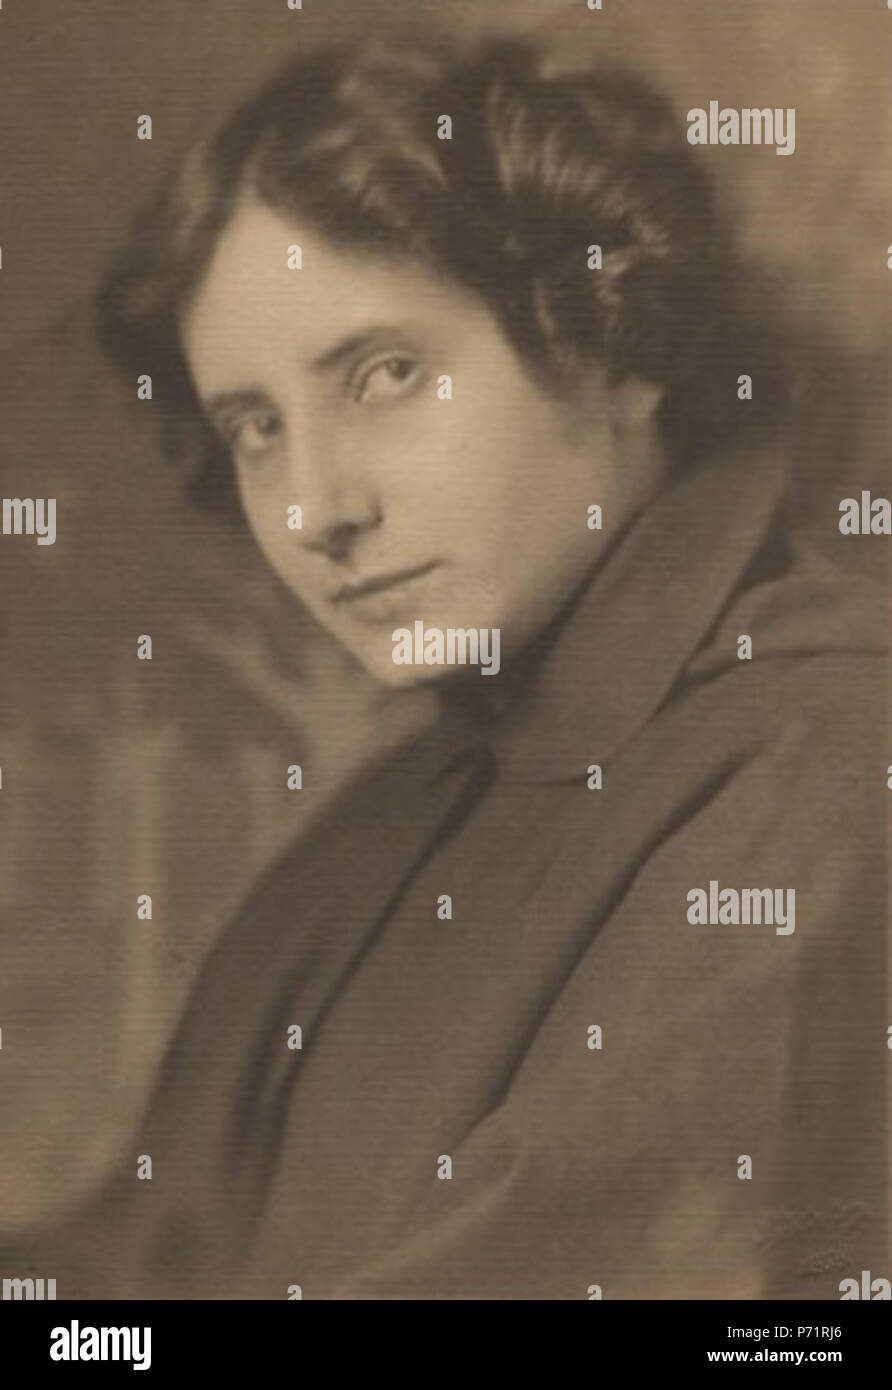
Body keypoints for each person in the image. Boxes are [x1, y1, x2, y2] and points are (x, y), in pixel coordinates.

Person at [29, 32, 891, 1299]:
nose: (315, 508)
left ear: (617, 351)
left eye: (384, 374)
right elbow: (124, 1284)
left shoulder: (828, 769)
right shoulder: (395, 816)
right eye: (255, 427)